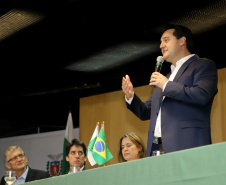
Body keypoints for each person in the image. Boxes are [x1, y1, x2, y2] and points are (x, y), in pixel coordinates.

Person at [121, 24, 218, 157]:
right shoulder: (165, 78)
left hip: (187, 144)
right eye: (160, 42)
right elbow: (146, 112)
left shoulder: (203, 65)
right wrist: (130, 96)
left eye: (166, 40)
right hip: (157, 147)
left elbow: (202, 95)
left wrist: (166, 85)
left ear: (182, 41)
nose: (161, 45)